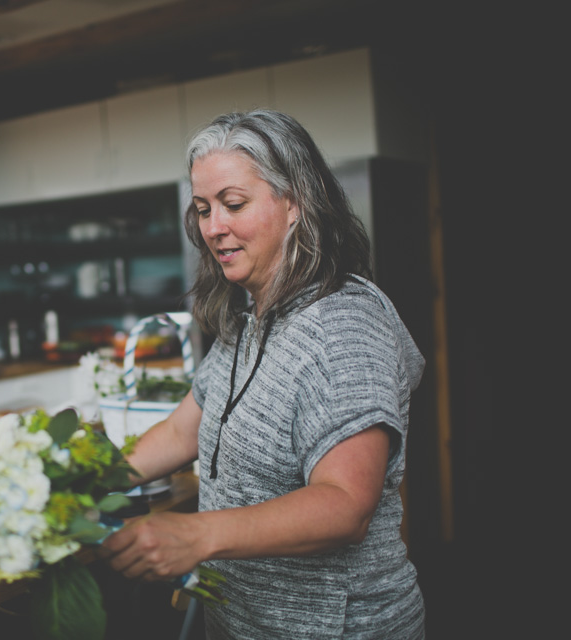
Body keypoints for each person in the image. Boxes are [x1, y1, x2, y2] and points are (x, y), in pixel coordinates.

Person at [101, 109, 426, 639]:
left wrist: (197, 535)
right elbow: (185, 429)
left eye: (233, 204)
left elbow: (345, 505)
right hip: (243, 621)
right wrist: (80, 483)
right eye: (204, 209)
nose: (213, 228)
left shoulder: (342, 326)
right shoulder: (246, 317)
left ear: (295, 203)